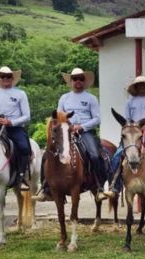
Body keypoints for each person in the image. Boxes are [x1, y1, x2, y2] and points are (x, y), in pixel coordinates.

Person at [33, 68, 106, 201]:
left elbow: (97, 118)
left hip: (85, 132)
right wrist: (66, 127)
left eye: (81, 79)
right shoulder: (64, 98)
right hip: (65, 131)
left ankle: (99, 187)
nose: (78, 81)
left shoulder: (91, 98)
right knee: (46, 155)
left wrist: (82, 127)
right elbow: (59, 116)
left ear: (84, 81)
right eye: (75, 79)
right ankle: (45, 188)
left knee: (95, 155)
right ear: (71, 81)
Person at [100, 76, 145, 200]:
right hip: (132, 136)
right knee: (117, 156)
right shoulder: (130, 102)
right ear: (135, 87)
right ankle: (114, 187)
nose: (141, 87)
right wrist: (131, 128)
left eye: (144, 85)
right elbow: (127, 120)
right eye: (138, 85)